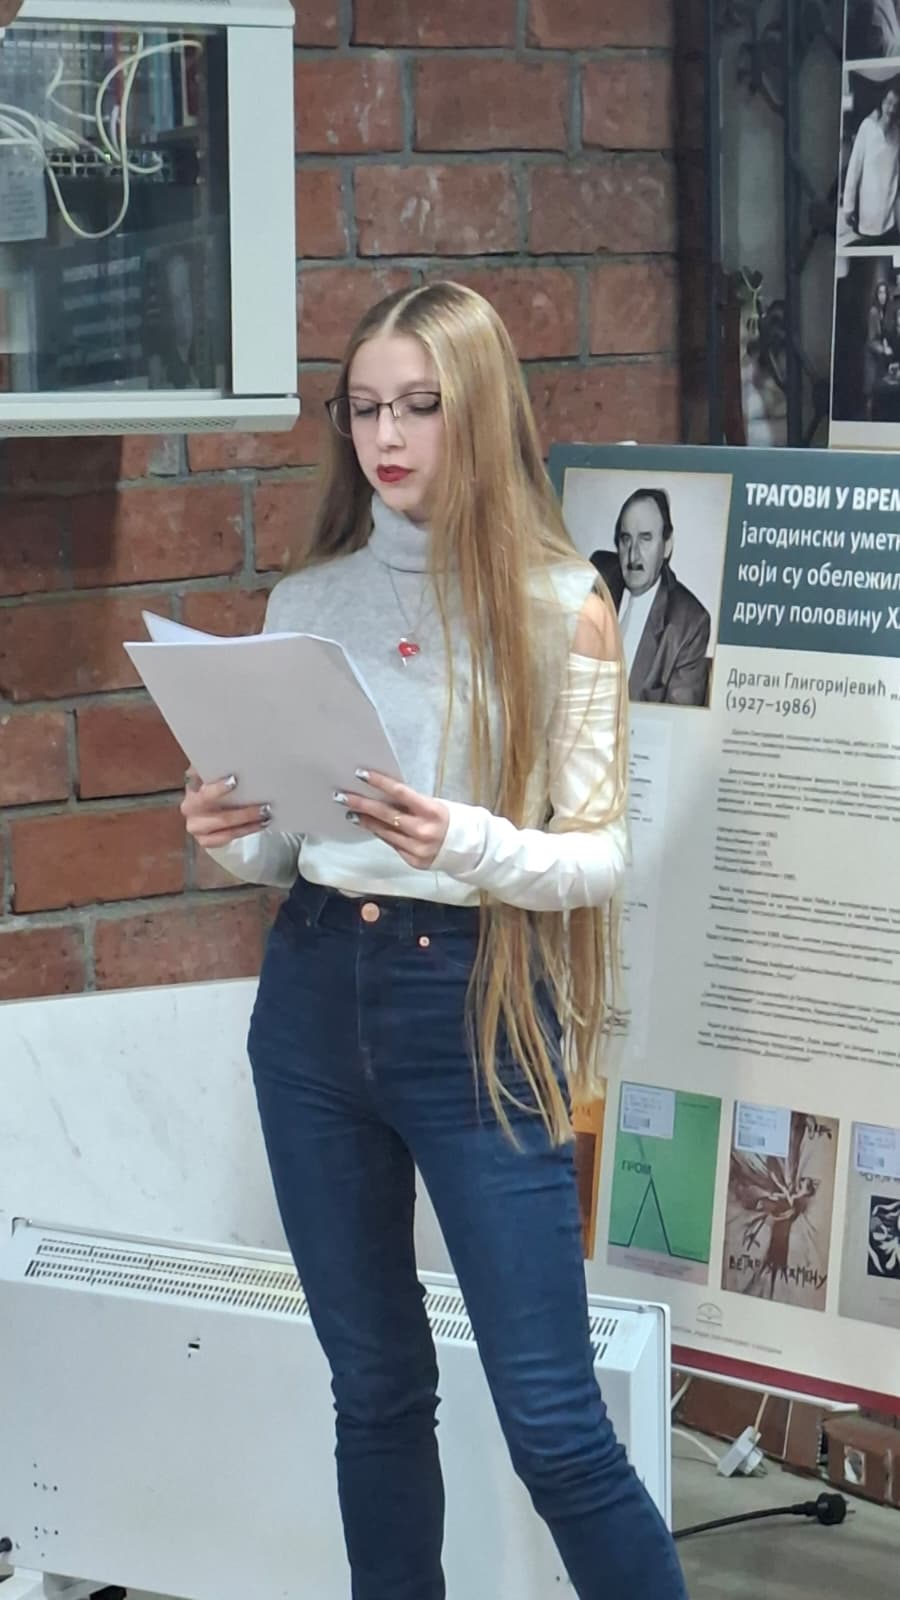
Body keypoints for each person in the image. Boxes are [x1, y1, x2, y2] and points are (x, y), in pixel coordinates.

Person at [180, 282, 687, 1600]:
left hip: (473, 1005)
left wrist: (461, 839)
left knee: (555, 1426)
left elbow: (599, 855)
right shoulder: (309, 596)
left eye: (418, 405)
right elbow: (290, 851)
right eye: (363, 409)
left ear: (481, 410)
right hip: (310, 1000)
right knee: (375, 1393)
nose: (387, 437)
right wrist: (228, 831)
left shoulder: (562, 602)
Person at [591, 487, 711, 706]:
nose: (633, 555)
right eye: (626, 539)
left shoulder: (690, 623)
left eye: (645, 539)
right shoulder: (599, 575)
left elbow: (678, 719)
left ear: (666, 547)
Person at [842, 81, 900, 247]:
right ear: (882, 103)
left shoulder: (897, 134)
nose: (891, 109)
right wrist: (848, 206)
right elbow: (854, 168)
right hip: (867, 216)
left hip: (889, 218)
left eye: (896, 106)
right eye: (889, 103)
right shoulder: (867, 127)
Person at [865, 280, 893, 419]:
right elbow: (871, 341)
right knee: (871, 393)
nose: (883, 296)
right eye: (880, 293)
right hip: (871, 358)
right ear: (876, 295)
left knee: (878, 393)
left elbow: (881, 334)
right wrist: (884, 349)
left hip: (877, 358)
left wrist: (885, 343)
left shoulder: (883, 311)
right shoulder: (874, 312)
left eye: (884, 293)